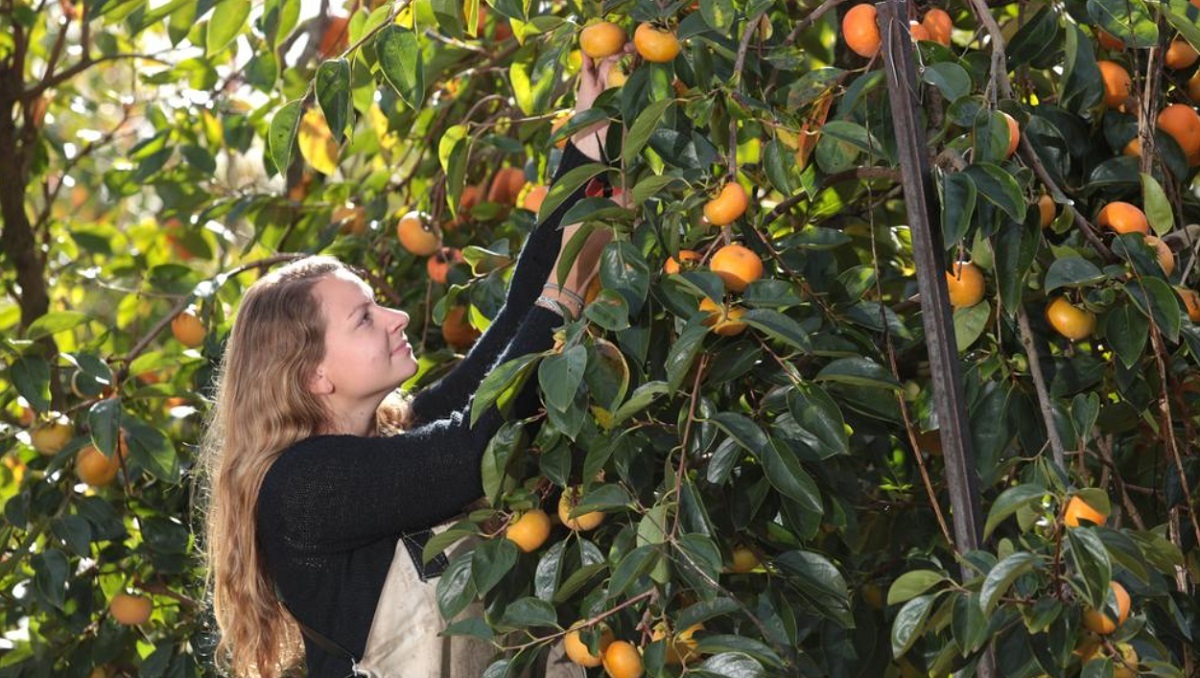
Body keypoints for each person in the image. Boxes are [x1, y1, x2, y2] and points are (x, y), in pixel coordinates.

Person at [198, 51, 623, 678]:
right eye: (365, 317)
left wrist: (584, 152)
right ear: (315, 377)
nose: (396, 318)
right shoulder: (300, 487)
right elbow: (469, 453)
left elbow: (504, 340)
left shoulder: (392, 437)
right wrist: (561, 301)